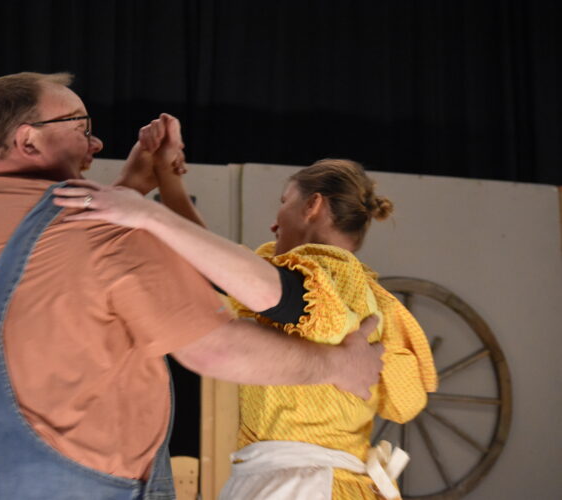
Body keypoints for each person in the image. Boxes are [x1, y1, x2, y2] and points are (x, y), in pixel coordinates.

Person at [0, 72, 384, 500]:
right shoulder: (109, 232)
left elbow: (51, 259)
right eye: (81, 128)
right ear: (28, 140)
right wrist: (337, 365)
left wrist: (133, 187)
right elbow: (215, 351)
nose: (96, 144)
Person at [53, 114, 437, 500]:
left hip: (305, 484)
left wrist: (147, 214)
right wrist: (168, 177)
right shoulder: (349, 288)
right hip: (299, 478)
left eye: (284, 203)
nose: (274, 224)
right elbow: (221, 268)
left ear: (313, 205)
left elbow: (267, 290)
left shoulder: (333, 275)